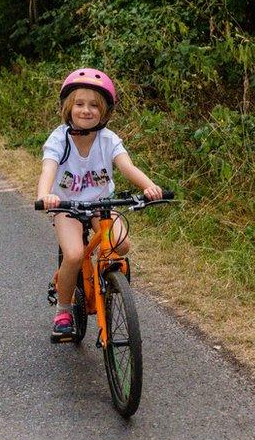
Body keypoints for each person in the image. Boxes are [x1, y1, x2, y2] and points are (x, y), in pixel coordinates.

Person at [36, 68, 162, 342]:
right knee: (73, 254)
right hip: (67, 206)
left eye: (94, 105)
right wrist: (46, 194)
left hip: (101, 205)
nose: (86, 110)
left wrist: (148, 186)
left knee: (121, 245)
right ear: (68, 107)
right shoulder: (59, 139)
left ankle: (107, 281)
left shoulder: (108, 139)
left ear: (104, 112)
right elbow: (48, 168)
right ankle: (64, 309)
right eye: (79, 104)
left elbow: (126, 166)